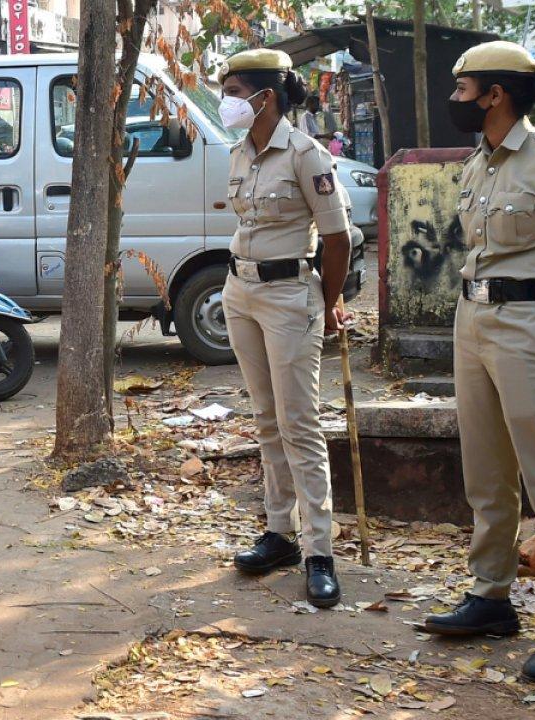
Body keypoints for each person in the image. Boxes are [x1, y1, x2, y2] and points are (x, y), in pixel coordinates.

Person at [421, 40, 535, 684]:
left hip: (533, 323)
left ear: (495, 94)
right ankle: (491, 596)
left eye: (463, 89)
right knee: (486, 471)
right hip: (472, 320)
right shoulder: (480, 162)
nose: (455, 100)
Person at [216, 48, 353, 608]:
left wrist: (326, 300)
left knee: (300, 425)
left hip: (290, 294)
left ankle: (320, 549)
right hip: (240, 291)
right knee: (266, 419)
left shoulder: (305, 153)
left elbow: (338, 239)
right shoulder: (240, 153)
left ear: (263, 97)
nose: (225, 103)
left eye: (232, 92)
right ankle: (280, 533)